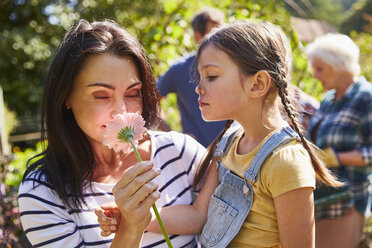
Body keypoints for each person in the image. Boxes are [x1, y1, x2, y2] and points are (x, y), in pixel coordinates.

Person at [97, 21, 341, 248]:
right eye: (200, 77)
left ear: (257, 84)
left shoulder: (286, 161)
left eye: (211, 77)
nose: (198, 88)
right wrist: (138, 217)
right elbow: (198, 215)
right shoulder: (228, 143)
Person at [17, 19, 206, 248]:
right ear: (65, 96)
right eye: (102, 96)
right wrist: (130, 227)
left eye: (133, 93)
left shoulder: (180, 151)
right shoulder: (43, 192)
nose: (122, 111)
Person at [306, 33, 372, 248]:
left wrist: (336, 158)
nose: (315, 75)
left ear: (340, 65)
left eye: (320, 68)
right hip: (321, 200)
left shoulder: (366, 97)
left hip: (347, 202)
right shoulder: (328, 100)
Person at [157, 7, 226, 147]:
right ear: (198, 36)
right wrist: (171, 134)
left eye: (223, 32)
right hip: (198, 158)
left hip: (235, 155)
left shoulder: (232, 67)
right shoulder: (179, 69)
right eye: (214, 33)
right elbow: (151, 101)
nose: (222, 39)